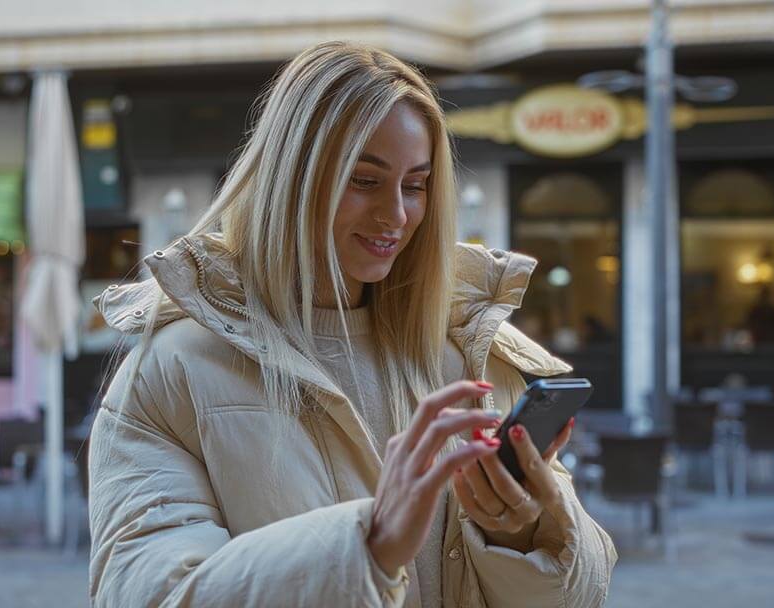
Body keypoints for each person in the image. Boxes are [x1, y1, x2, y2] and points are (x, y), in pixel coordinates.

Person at [87, 41, 617, 608]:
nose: (396, 215)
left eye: (415, 185)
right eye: (364, 181)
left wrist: (521, 534)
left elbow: (583, 594)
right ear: (291, 179)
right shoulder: (172, 371)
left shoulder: (475, 358)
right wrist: (366, 546)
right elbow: (149, 595)